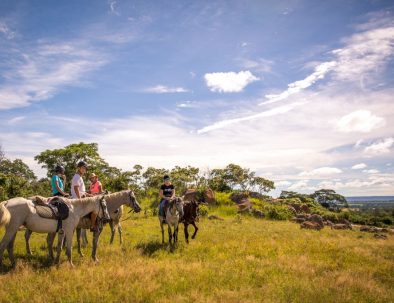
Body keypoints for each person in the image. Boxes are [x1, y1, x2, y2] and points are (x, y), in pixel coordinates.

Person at [71, 161, 96, 232]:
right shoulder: (77, 177)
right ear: (79, 168)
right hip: (77, 199)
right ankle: (92, 225)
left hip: (81, 197)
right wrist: (80, 200)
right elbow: (76, 188)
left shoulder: (79, 177)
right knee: (95, 209)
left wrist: (89, 195)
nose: (84, 169)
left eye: (85, 168)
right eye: (83, 168)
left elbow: (80, 190)